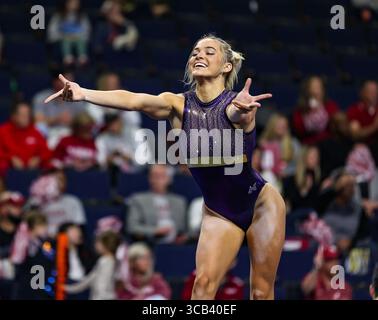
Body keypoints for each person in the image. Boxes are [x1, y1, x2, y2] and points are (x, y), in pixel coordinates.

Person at [44, 34, 286, 300]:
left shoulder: (236, 105)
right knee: (202, 287)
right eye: (195, 51)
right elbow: (133, 100)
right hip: (219, 212)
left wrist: (245, 113)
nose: (199, 55)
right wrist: (84, 93)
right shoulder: (176, 105)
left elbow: (235, 115)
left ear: (226, 66)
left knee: (261, 292)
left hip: (261, 203)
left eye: (209, 52)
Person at [126, 164, 187, 244]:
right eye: (154, 175)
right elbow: (132, 227)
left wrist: (185, 237)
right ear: (149, 178)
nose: (157, 179)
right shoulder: (138, 200)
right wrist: (155, 231)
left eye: (161, 176)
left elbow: (187, 229)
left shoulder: (180, 202)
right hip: (149, 243)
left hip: (177, 245)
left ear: (169, 179)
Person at [32, 71, 88, 148]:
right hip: (49, 132)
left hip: (70, 131)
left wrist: (73, 122)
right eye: (66, 80)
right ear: (56, 81)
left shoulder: (78, 98)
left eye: (71, 80)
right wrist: (57, 119)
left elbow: (85, 120)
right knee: (40, 127)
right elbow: (39, 122)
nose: (69, 83)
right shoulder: (41, 97)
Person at [64, 230, 121, 300]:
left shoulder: (106, 262)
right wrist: (67, 288)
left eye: (98, 242)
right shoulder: (106, 261)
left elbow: (102, 285)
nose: (95, 245)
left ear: (105, 245)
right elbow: (89, 280)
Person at [28, 169, 86, 237]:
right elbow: (28, 226)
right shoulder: (35, 201)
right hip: (43, 242)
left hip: (64, 241)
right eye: (55, 179)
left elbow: (80, 228)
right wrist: (38, 200)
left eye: (61, 179)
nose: (58, 183)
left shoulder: (73, 201)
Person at [0, 101, 51, 176]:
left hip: (32, 170)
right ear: (13, 116)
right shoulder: (3, 131)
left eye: (28, 115)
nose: (26, 118)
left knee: (50, 166)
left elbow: (46, 151)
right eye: (23, 115)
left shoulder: (35, 131)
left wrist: (38, 158)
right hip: (10, 169)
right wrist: (10, 158)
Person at [292, 76, 340, 145]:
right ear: (307, 90)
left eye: (319, 86)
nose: (317, 90)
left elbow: (335, 127)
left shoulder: (330, 106)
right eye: (314, 87)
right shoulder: (301, 109)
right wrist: (311, 113)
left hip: (328, 144)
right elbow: (299, 130)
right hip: (308, 144)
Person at [47, 0, 91, 66]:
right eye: (72, 3)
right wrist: (64, 36)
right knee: (66, 41)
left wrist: (77, 36)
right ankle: (67, 58)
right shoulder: (58, 16)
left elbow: (87, 30)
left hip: (78, 38)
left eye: (76, 3)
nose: (74, 5)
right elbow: (52, 32)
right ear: (66, 3)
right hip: (62, 39)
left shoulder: (82, 16)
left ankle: (82, 58)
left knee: (81, 42)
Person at [283, 146, 322, 212]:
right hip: (297, 215)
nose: (316, 160)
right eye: (312, 157)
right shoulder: (291, 179)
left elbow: (317, 204)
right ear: (304, 158)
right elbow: (293, 204)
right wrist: (305, 190)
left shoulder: (318, 177)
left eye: (317, 157)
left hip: (313, 214)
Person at [347, 80, 378, 146]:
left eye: (376, 91)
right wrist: (374, 126)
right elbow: (355, 135)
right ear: (362, 92)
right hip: (364, 146)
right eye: (370, 91)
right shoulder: (355, 110)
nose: (374, 94)